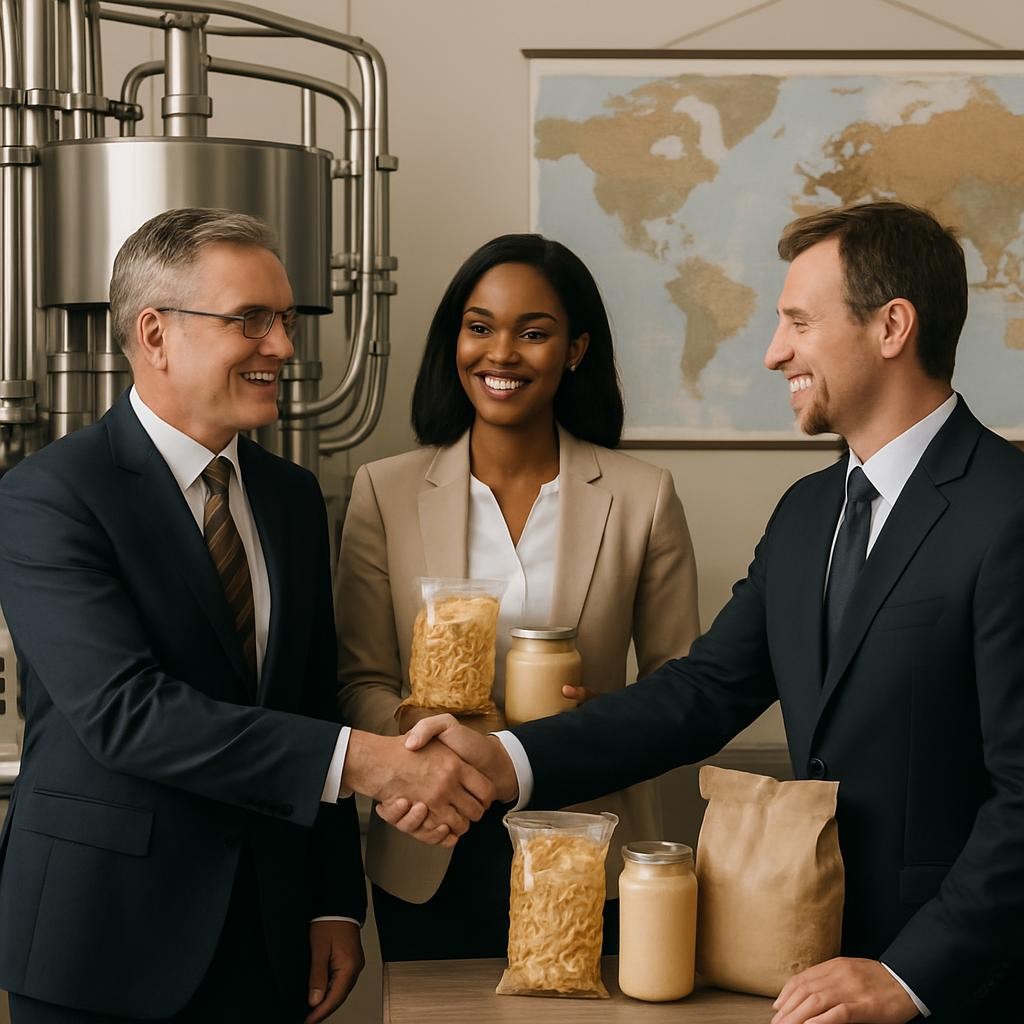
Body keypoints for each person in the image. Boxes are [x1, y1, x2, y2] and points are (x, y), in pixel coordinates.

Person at [388, 201, 1024, 1022]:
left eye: (798, 321)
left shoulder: (1007, 514)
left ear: (892, 326)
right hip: (809, 967)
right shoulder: (807, 513)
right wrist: (499, 760)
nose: (774, 353)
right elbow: (698, 694)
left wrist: (910, 976)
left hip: (959, 987)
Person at [0, 208, 493, 1024]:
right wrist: (372, 763)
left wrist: (333, 900)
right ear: (155, 333)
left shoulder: (292, 497)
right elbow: (128, 714)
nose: (284, 348)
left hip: (268, 937)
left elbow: (307, 699)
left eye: (285, 320)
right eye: (251, 320)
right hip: (102, 941)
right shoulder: (49, 496)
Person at [335, 233, 700, 960]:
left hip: (587, 841)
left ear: (575, 350)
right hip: (431, 843)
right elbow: (358, 679)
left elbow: (683, 687)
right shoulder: (385, 490)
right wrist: (424, 742)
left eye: (533, 333)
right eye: (479, 328)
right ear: (455, 342)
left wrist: (602, 721)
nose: (500, 354)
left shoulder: (641, 497)